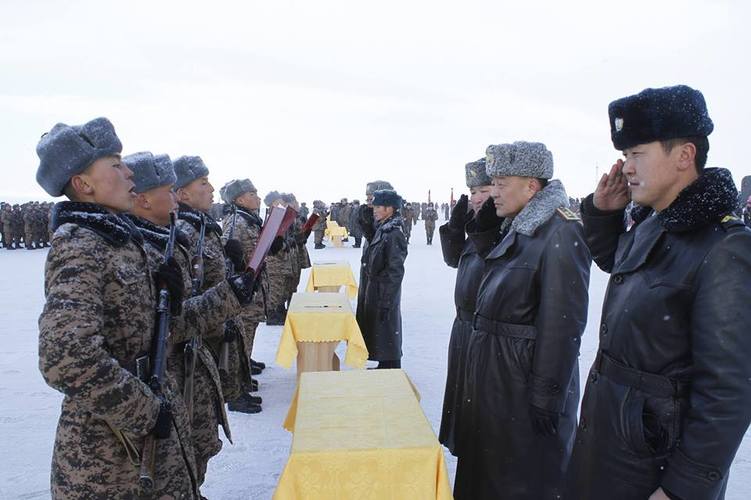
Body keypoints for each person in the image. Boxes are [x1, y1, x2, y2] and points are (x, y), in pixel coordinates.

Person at [568, 85, 751, 500]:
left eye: (637, 154)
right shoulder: (655, 222)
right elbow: (623, 268)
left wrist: (682, 488)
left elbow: (727, 391)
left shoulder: (724, 246)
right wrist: (603, 215)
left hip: (653, 463)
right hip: (613, 443)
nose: (626, 168)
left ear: (684, 155)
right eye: (624, 155)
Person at [36, 118, 198, 498]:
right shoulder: (81, 244)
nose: (129, 173)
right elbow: (65, 357)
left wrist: (169, 303)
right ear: (83, 184)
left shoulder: (119, 240)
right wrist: (145, 410)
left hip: (141, 439)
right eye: (115, 164)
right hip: (108, 459)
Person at [455, 141, 591, 500]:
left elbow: (563, 324)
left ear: (532, 186)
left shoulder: (560, 231)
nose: (494, 192)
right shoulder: (515, 224)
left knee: (522, 481)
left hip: (521, 384)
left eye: (501, 184)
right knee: (490, 476)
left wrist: (547, 395)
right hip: (499, 380)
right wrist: (483, 227)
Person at [125, 153, 255, 488]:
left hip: (192, 362)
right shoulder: (147, 244)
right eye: (203, 183)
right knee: (174, 460)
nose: (211, 189)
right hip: (172, 370)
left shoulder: (176, 233)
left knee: (198, 445)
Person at [174, 156, 259, 414]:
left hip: (220, 316)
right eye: (203, 183)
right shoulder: (184, 231)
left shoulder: (202, 226)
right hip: (204, 329)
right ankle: (236, 393)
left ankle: (238, 386)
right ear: (183, 194)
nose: (211, 189)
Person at [438, 158, 503, 456]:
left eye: (484, 190)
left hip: (482, 332)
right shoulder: (479, 227)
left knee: (478, 416)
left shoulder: (500, 228)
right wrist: (455, 229)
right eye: (473, 191)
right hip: (464, 330)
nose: (477, 198)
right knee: (463, 410)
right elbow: (454, 259)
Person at [356, 188, 408, 369]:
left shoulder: (393, 233)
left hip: (384, 290)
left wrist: (387, 299)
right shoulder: (382, 228)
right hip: (376, 288)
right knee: (381, 332)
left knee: (387, 330)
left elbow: (395, 271)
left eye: (378, 207)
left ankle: (391, 367)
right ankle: (385, 365)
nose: (374, 210)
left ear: (390, 208)